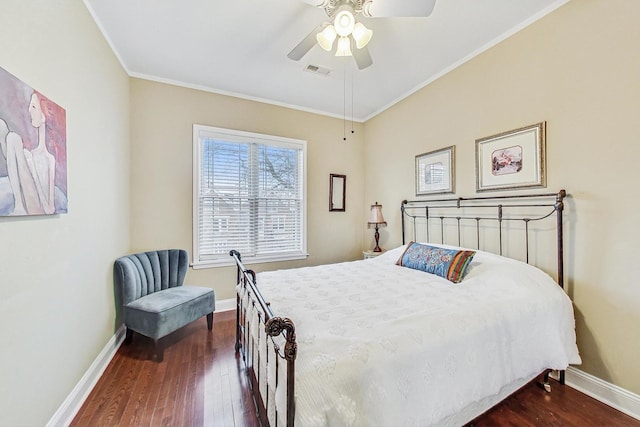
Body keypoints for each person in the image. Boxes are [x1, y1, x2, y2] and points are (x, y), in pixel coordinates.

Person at [1, 92, 56, 215]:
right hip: (27, 196)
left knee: (13, 139)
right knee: (7, 132)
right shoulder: (31, 154)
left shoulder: (49, 159)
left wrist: (34, 175)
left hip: (36, 206)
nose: (29, 110)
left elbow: (50, 209)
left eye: (34, 107)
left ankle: (19, 206)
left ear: (44, 116)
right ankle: (19, 205)